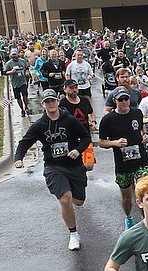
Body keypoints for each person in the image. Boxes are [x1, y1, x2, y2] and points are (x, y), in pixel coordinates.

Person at [13, 89, 91, 251]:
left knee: (79, 201)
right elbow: (25, 142)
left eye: (53, 100)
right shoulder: (40, 125)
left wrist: (78, 150)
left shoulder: (69, 120)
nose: (50, 104)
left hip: (74, 165)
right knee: (65, 198)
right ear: (43, 105)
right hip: (53, 166)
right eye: (47, 102)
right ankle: (73, 234)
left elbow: (85, 137)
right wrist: (18, 158)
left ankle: (68, 205)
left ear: (57, 101)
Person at [99, 86, 148, 230]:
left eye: (126, 99)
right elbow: (101, 142)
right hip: (123, 164)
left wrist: (144, 136)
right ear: (115, 100)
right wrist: (114, 143)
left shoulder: (137, 113)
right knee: (127, 197)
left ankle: (146, 221)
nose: (124, 102)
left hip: (140, 159)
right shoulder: (108, 120)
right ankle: (128, 217)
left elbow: (141, 129)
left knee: (144, 191)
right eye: (120, 99)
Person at [59, 79, 96, 171]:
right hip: (70, 139)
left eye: (76, 87)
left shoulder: (84, 100)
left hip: (85, 137)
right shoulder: (62, 104)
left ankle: (80, 175)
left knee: (89, 166)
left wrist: (93, 122)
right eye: (71, 88)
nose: (74, 90)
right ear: (65, 89)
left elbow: (91, 113)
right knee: (73, 164)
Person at [4, 48, 30, 117]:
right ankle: (22, 109)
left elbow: (27, 68)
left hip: (23, 81)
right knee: (18, 97)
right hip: (15, 83)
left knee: (25, 95)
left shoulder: (22, 61)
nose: (14, 56)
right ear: (11, 55)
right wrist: (11, 72)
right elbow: (4, 72)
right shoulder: (9, 63)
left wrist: (27, 73)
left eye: (15, 54)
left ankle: (26, 107)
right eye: (13, 55)